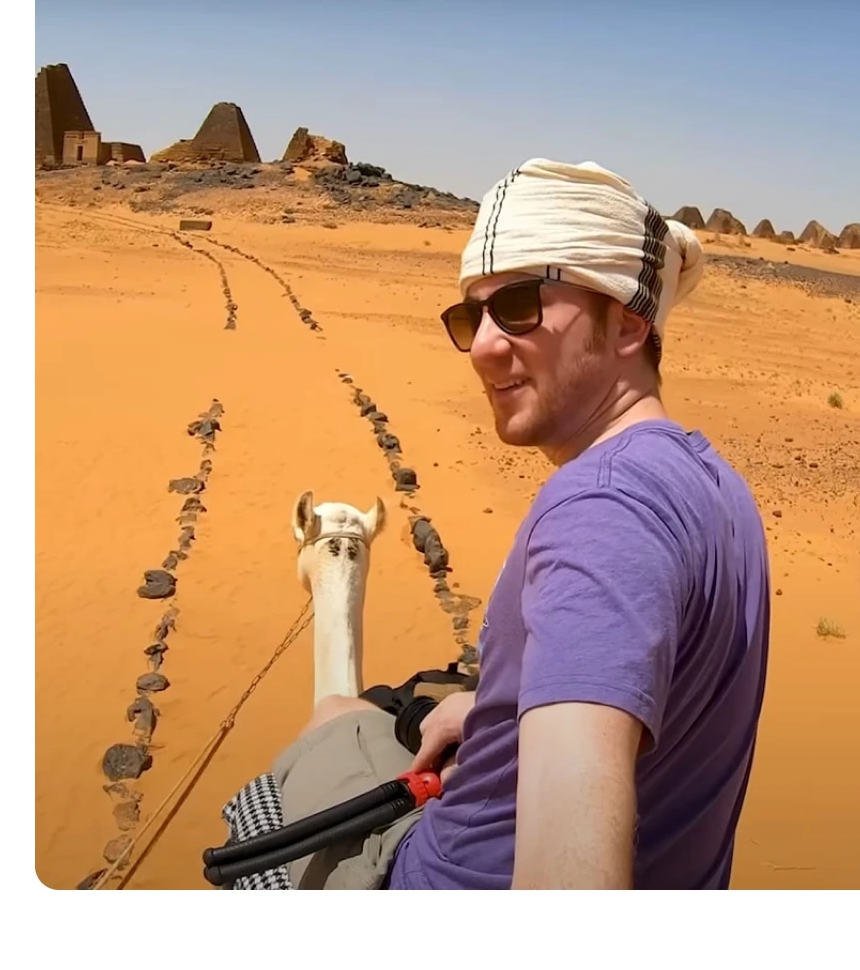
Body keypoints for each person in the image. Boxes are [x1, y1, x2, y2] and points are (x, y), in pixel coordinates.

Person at [235, 158, 772, 889]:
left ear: (628, 324)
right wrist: (497, 713)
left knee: (333, 712)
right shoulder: (713, 483)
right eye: (471, 313)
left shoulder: (600, 514)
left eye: (521, 305)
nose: (484, 343)